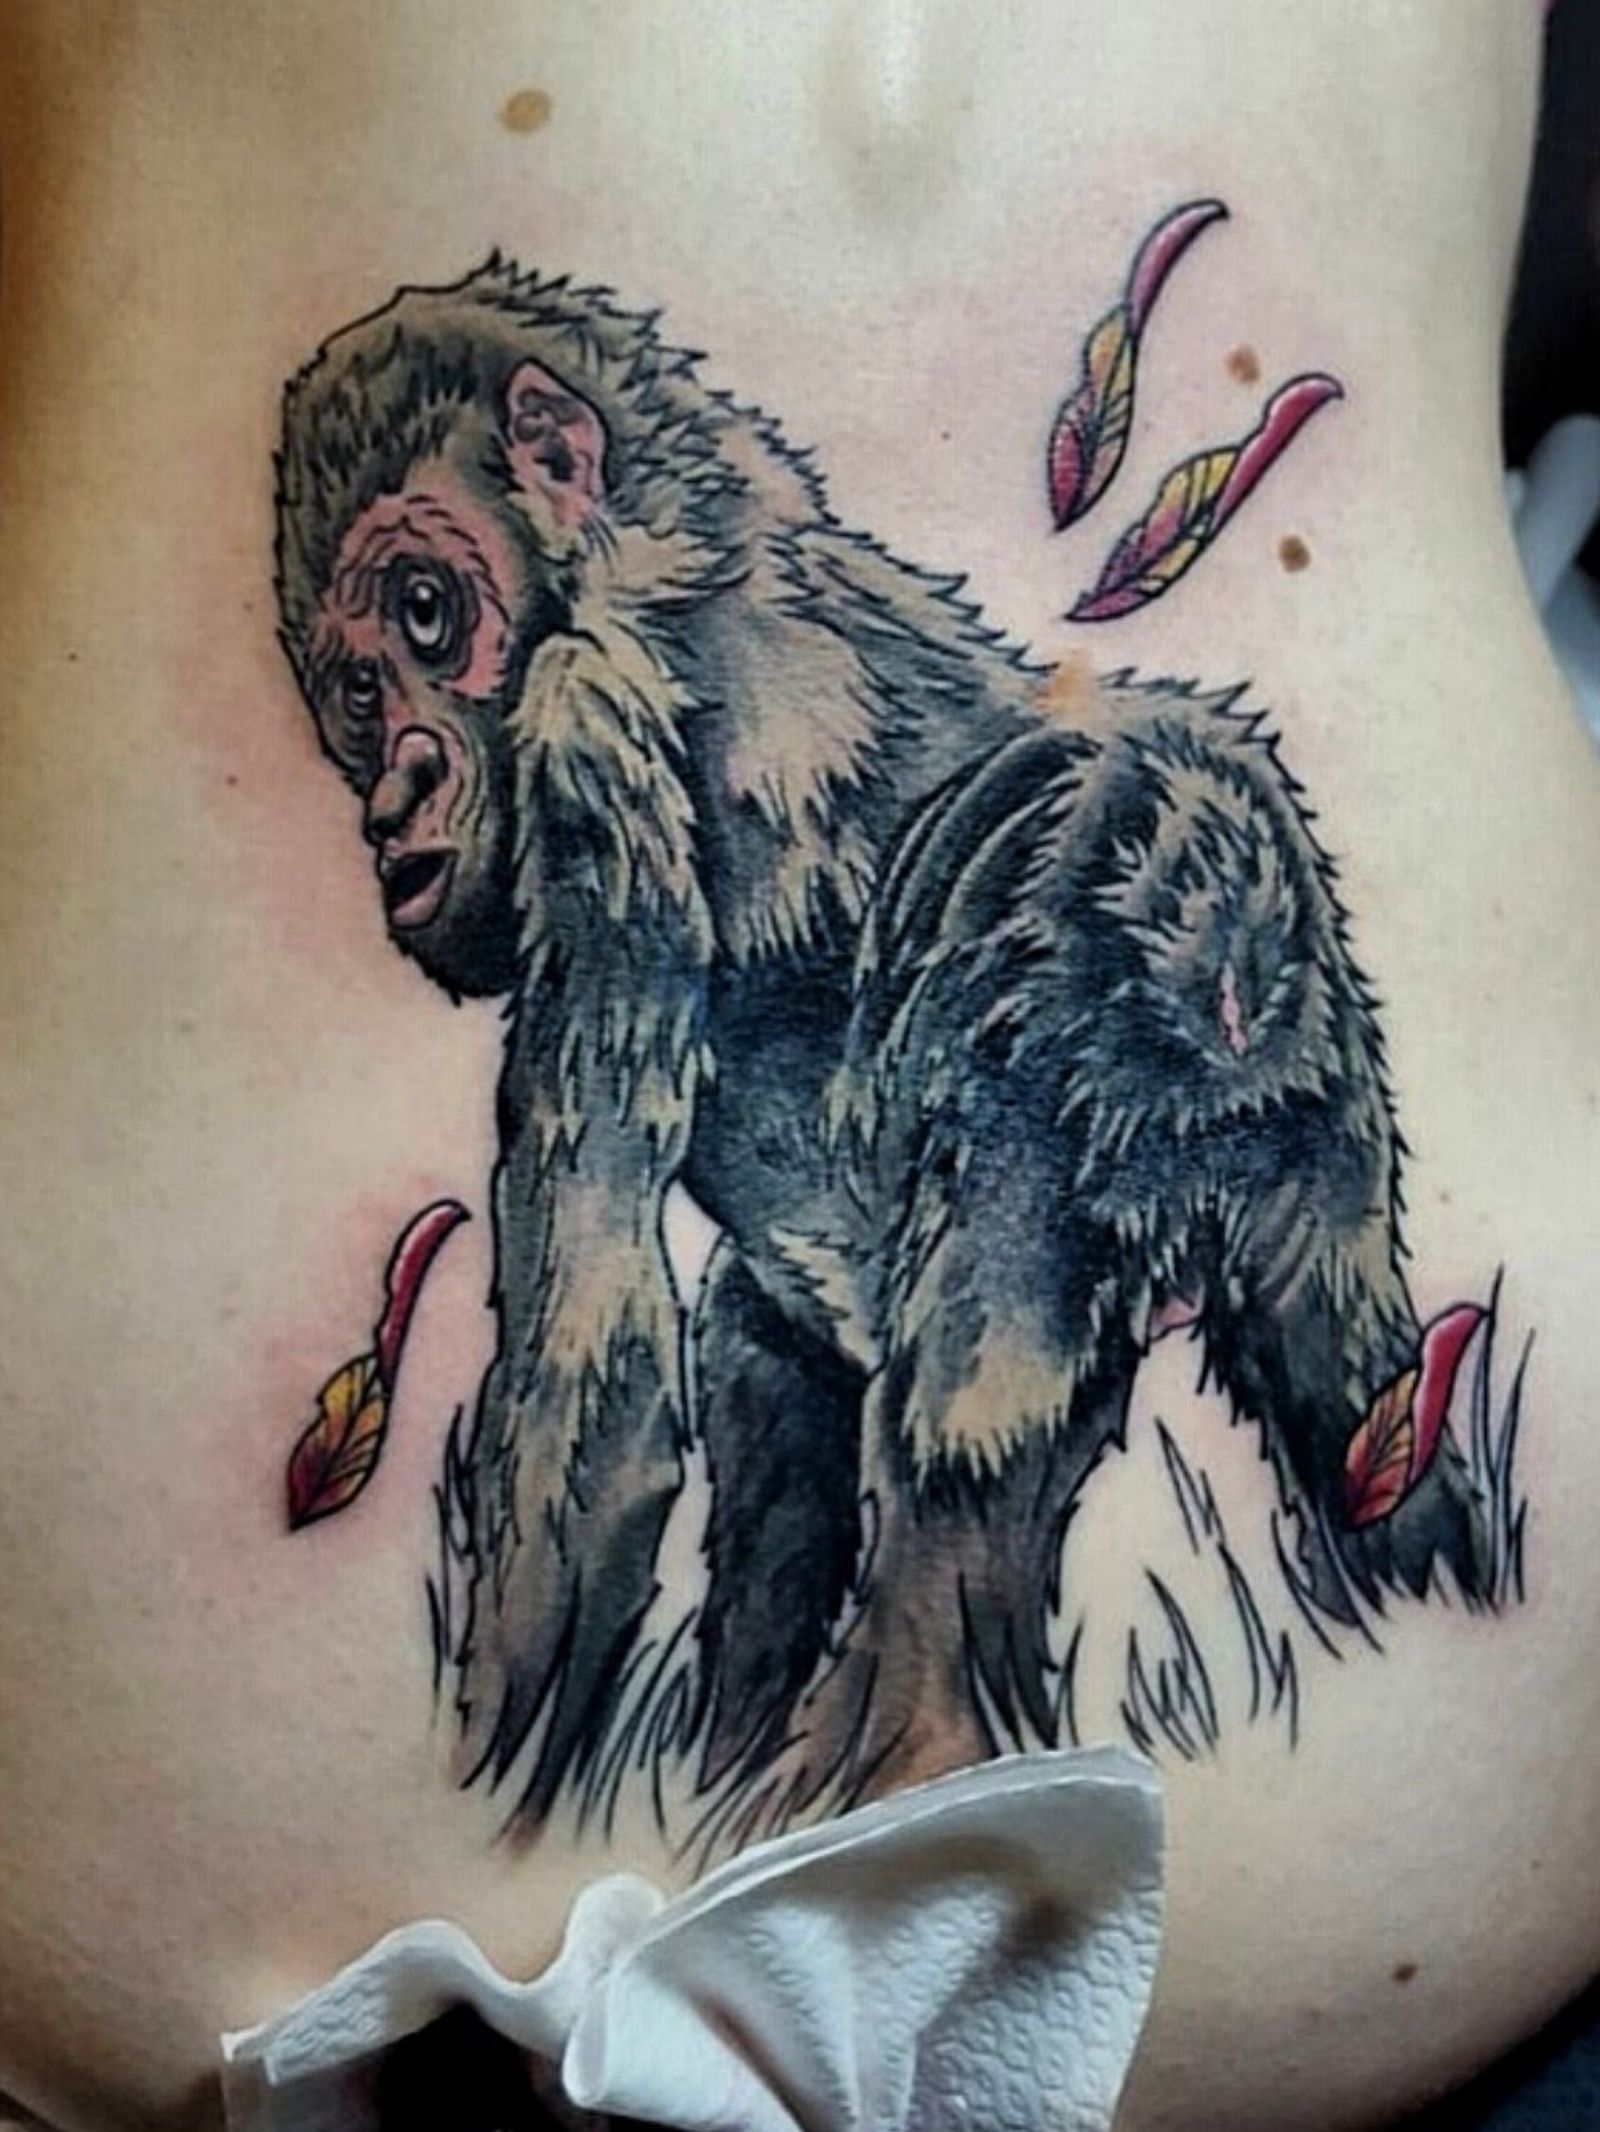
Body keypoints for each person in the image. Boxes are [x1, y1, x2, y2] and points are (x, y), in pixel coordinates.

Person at [1, 4, 1597, 2128]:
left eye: (426, 625)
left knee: (1068, 934)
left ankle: (946, 1679)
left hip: (1450, 1997)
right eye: (356, 691)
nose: (396, 754)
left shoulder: (619, 695)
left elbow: (584, 1334)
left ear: (560, 472)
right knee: (780, 1342)